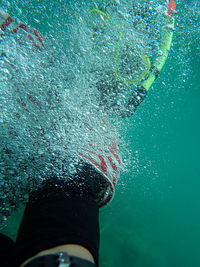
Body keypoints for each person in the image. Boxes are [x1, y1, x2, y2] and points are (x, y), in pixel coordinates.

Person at [0, 1, 176, 266]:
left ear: (138, 81)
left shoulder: (98, 144)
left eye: (127, 64)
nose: (103, 69)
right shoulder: (23, 46)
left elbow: (70, 196)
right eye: (98, 37)